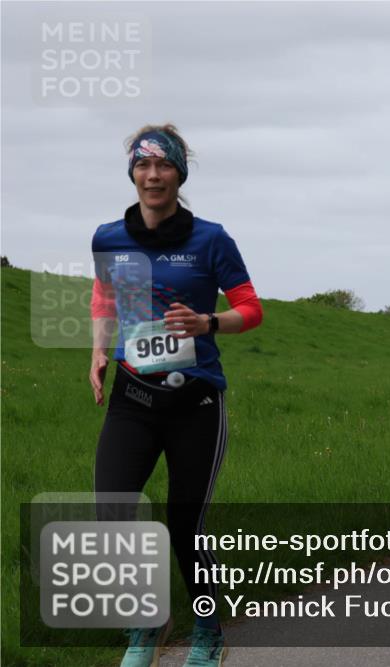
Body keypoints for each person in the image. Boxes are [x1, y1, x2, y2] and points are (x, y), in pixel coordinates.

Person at [90, 124, 263, 667]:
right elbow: (104, 297)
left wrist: (207, 322)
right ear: (133, 174)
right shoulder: (108, 237)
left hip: (196, 403)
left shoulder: (210, 239)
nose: (153, 175)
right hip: (132, 396)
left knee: (185, 522)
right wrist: (98, 351)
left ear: (179, 174)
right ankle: (146, 623)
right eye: (143, 166)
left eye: (163, 165)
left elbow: (252, 310)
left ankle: (207, 629)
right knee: (111, 509)